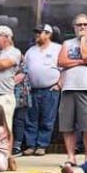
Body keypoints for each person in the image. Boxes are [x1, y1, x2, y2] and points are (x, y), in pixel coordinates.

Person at [57, 14, 87, 164]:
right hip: (68, 88)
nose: (82, 27)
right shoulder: (67, 43)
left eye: (85, 24)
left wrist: (83, 40)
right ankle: (71, 157)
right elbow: (61, 61)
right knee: (67, 126)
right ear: (74, 27)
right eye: (79, 25)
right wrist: (80, 63)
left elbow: (86, 55)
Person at [20, 25, 61, 156]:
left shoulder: (58, 49)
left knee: (47, 119)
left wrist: (59, 85)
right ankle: (31, 145)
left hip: (50, 89)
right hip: (32, 90)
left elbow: (65, 69)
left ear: (48, 34)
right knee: (30, 118)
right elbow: (24, 69)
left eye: (40, 32)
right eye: (36, 32)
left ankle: (42, 145)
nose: (37, 35)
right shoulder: (31, 51)